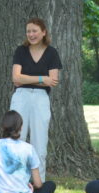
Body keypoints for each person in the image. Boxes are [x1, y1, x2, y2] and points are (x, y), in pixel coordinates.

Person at [10, 17, 62, 180]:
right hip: (21, 97)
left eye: (35, 31)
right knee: (16, 138)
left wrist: (26, 78)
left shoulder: (52, 53)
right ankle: (15, 181)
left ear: (43, 32)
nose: (31, 34)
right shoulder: (21, 51)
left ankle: (39, 182)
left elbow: (52, 81)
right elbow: (16, 79)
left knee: (39, 142)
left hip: (41, 98)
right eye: (28, 31)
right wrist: (41, 79)